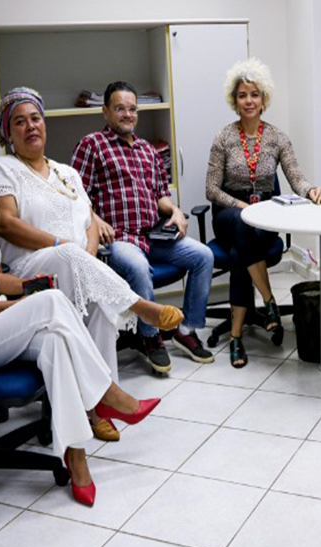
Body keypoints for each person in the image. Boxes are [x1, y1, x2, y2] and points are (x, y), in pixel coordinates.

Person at [0, 129, 163, 507]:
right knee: (51, 304)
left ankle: (76, 459)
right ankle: (107, 394)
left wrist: (30, 287)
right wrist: (22, 306)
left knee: (55, 340)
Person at [0, 87, 183, 443]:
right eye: (19, 121)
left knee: (101, 311)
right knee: (72, 259)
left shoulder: (65, 172)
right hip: (31, 270)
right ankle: (140, 308)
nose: (31, 126)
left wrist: (86, 258)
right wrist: (66, 248)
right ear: (8, 131)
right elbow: (7, 223)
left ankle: (97, 408)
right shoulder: (3, 168)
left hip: (75, 265)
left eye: (36, 118)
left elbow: (90, 219)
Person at [72, 81, 215, 373]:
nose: (128, 114)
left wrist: (175, 211)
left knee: (204, 255)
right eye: (120, 108)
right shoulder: (92, 145)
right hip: (119, 239)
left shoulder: (148, 150)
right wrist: (95, 219)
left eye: (132, 109)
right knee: (138, 267)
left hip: (153, 235)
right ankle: (150, 337)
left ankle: (185, 329)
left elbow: (161, 196)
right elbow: (74, 194)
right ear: (105, 112)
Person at [206, 57, 321, 368]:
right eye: (243, 95)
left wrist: (310, 190)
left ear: (264, 99)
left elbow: (295, 175)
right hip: (229, 214)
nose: (249, 101)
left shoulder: (276, 137)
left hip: (267, 214)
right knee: (243, 226)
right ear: (235, 100)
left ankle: (235, 338)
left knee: (237, 256)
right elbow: (211, 190)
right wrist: (240, 206)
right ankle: (270, 302)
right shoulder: (223, 138)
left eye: (254, 94)